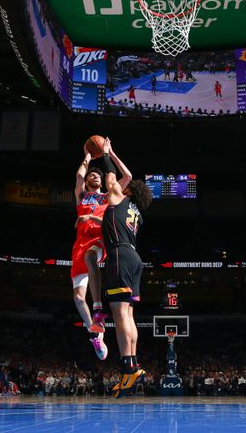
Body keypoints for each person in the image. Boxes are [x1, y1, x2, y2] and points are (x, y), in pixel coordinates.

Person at [97, 137, 153, 397]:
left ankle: (127, 366)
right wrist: (114, 152)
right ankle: (132, 365)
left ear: (129, 191)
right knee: (128, 315)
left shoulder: (118, 197)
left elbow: (115, 178)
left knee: (120, 316)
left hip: (119, 254)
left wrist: (106, 155)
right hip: (134, 259)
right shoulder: (136, 212)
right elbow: (128, 175)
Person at [72, 146, 109, 360]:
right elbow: (78, 175)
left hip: (98, 241)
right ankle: (95, 335)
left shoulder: (106, 197)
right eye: (91, 174)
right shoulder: (82, 196)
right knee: (77, 298)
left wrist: (105, 155)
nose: (93, 175)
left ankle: (98, 310)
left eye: (97, 175)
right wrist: (87, 154)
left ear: (101, 182)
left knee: (91, 257)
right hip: (80, 244)